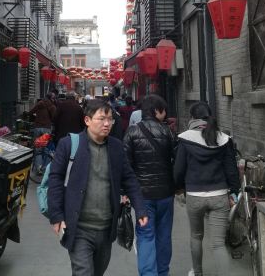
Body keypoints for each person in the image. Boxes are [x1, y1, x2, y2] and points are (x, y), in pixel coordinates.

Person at [47, 99, 149, 276]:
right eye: (102, 119)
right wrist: (56, 215)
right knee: (84, 271)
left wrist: (140, 209)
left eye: (110, 119)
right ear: (87, 120)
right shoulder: (69, 145)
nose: (107, 124)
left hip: (106, 228)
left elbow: (129, 179)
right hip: (78, 227)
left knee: (98, 271)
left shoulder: (116, 147)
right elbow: (55, 179)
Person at [173, 102, 239, 276]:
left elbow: (178, 170)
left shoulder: (185, 139)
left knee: (196, 236)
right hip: (219, 196)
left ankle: (197, 272)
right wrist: (234, 191)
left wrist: (178, 188)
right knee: (218, 244)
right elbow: (231, 169)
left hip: (194, 195)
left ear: (192, 118)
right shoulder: (223, 138)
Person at [123, 94, 177, 276]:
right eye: (163, 110)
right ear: (155, 111)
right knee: (164, 235)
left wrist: (124, 191)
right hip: (166, 193)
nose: (165, 114)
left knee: (145, 235)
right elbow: (176, 160)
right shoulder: (168, 132)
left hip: (142, 196)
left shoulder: (132, 132)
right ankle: (162, 272)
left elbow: (125, 165)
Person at [29, 93, 56, 173]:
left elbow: (31, 112)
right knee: (46, 149)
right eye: (53, 98)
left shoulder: (39, 103)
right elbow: (54, 117)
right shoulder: (52, 106)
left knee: (38, 149)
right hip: (46, 128)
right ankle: (45, 168)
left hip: (37, 128)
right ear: (51, 98)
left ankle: (38, 168)